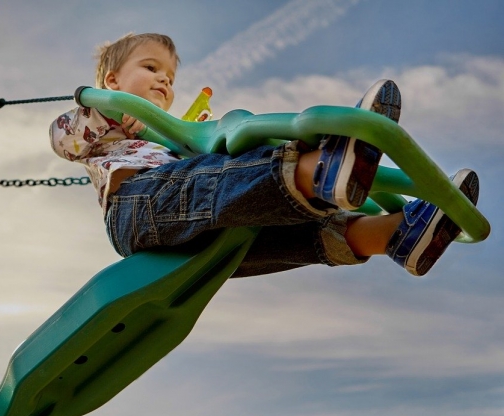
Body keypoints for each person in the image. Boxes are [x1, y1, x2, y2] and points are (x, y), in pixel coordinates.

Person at [49, 33, 479, 277]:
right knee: (219, 176)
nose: (163, 80)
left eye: (169, 76)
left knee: (268, 235)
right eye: (150, 68)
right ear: (111, 80)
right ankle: (318, 170)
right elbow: (63, 138)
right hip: (137, 212)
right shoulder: (97, 124)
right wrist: (105, 106)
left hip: (191, 239)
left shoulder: (169, 135)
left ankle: (393, 234)